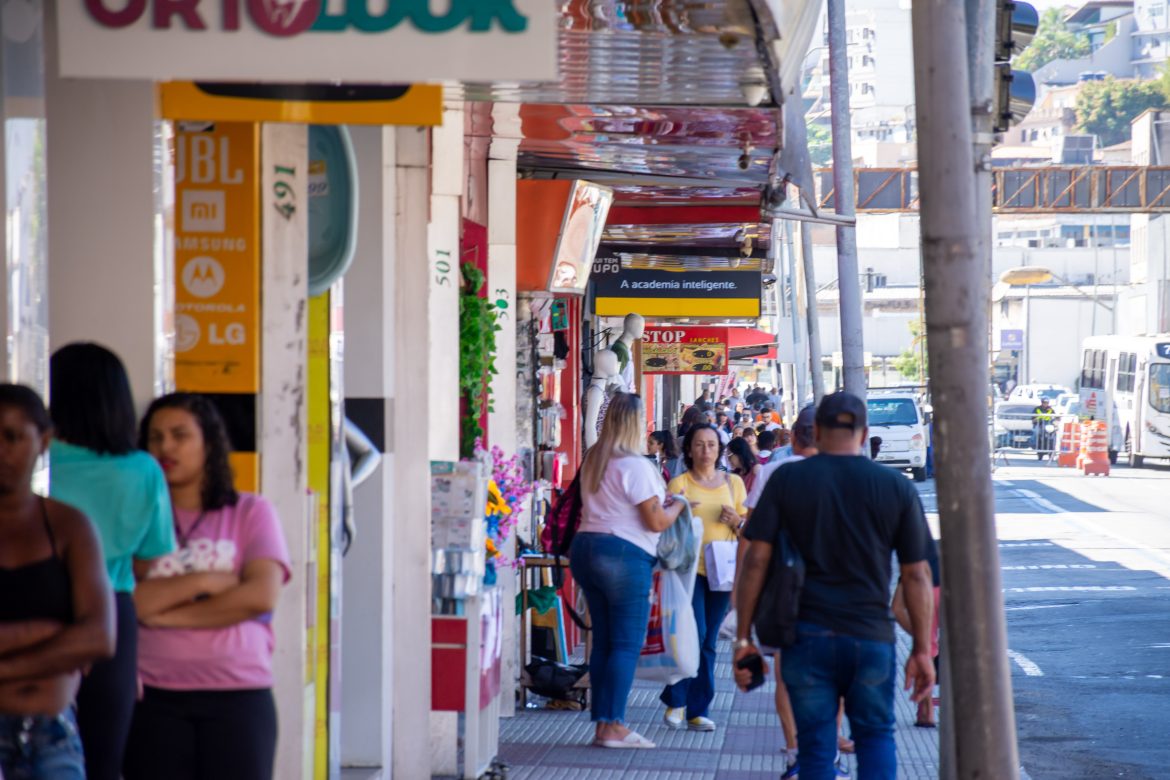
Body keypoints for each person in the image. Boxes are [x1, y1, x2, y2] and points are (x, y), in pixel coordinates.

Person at [735, 392, 935, 780]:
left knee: (815, 745)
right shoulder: (894, 486)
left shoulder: (788, 479)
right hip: (871, 636)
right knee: (876, 736)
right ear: (864, 435)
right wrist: (924, 649)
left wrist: (744, 638)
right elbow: (917, 575)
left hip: (804, 636)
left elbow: (756, 560)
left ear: (819, 432)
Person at [125, 394, 292, 780]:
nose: (165, 446)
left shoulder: (250, 511)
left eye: (179, 435)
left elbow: (259, 596)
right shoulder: (135, 516)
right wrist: (205, 581)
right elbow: (130, 603)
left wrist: (162, 616)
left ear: (209, 443)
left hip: (239, 696)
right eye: (155, 437)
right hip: (152, 696)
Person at [48, 343, 176, 780]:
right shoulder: (143, 470)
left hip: (39, 606)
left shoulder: (37, 464)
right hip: (113, 617)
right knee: (103, 760)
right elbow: (149, 560)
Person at [0, 384, 115, 780]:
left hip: (51, 734)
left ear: (43, 441)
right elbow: (81, 637)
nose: (1, 451)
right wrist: (51, 636)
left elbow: (99, 637)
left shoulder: (70, 526)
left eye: (12, 437)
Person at [570, 393, 685, 749]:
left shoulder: (594, 460)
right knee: (625, 644)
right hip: (623, 554)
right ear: (635, 423)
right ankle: (614, 724)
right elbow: (654, 522)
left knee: (603, 641)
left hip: (586, 548)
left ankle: (603, 724)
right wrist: (679, 505)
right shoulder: (636, 466)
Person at [741, 406, 817, 778]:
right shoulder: (854, 475)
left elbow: (751, 540)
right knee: (818, 679)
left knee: (791, 675)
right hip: (820, 596)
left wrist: (742, 613)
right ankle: (811, 753)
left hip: (783, 589)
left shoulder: (774, 472)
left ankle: (799, 752)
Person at [662, 424, 747, 732]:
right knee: (693, 636)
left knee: (709, 642)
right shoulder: (679, 483)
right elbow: (665, 527)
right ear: (689, 450)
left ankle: (697, 709)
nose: (706, 451)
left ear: (719, 449)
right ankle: (677, 700)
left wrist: (737, 520)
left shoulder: (734, 483)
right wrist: (680, 509)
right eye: (699, 445)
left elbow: (747, 528)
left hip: (721, 572)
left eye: (711, 445)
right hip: (688, 570)